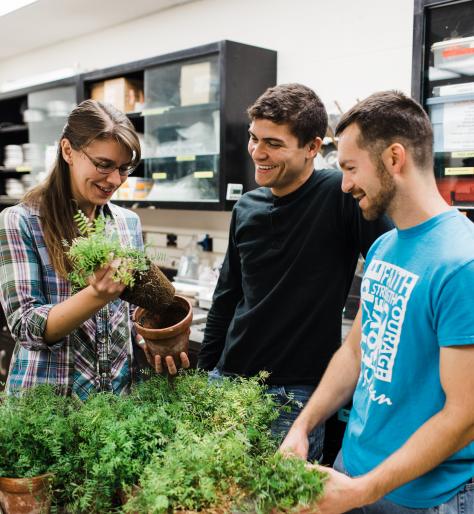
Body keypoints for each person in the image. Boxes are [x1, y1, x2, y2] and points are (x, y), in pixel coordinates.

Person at [280, 90, 474, 513]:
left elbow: (463, 417)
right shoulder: (385, 246)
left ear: (394, 159)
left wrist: (363, 490)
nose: (345, 184)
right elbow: (355, 351)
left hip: (423, 497)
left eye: (350, 168)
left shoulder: (463, 264)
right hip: (353, 471)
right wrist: (303, 424)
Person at [197, 83, 393, 461]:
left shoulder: (341, 194)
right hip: (228, 378)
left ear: (312, 147)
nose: (258, 152)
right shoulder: (247, 207)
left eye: (273, 143)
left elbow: (392, 265)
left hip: (295, 393)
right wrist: (204, 376)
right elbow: (227, 298)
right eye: (254, 139)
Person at [0, 99, 189, 400]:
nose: (114, 180)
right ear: (67, 151)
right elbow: (25, 327)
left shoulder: (128, 223)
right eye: (103, 165)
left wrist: (150, 338)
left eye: (123, 169)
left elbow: (127, 318)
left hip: (113, 406)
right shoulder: (21, 221)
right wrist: (97, 295)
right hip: (46, 413)